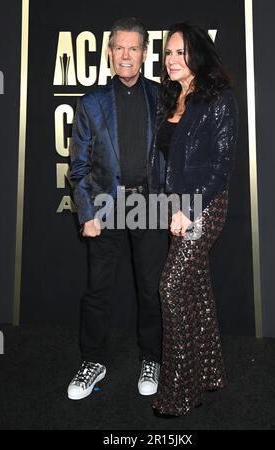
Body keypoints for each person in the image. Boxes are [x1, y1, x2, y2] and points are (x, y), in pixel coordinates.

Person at [67, 17, 168, 400]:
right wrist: (87, 213)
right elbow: (78, 166)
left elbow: (173, 157)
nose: (126, 55)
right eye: (119, 48)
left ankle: (152, 358)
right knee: (97, 290)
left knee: (151, 289)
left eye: (134, 48)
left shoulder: (163, 97)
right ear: (110, 54)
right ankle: (93, 361)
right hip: (105, 205)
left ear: (144, 54)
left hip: (151, 203)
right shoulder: (92, 103)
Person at [149, 22, 238, 416]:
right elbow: (165, 162)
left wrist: (188, 208)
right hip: (176, 208)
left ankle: (181, 390)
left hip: (205, 206)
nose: (171, 59)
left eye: (180, 52)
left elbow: (220, 167)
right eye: (168, 52)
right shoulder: (170, 97)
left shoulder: (219, 98)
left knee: (171, 287)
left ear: (197, 54)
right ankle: (211, 373)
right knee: (195, 288)